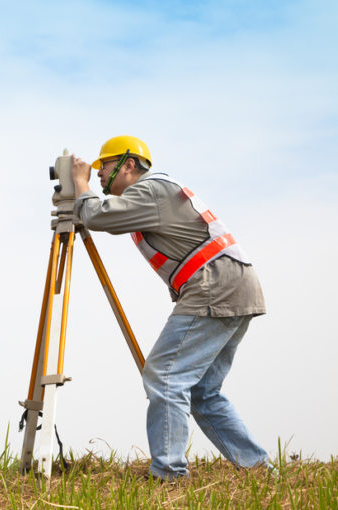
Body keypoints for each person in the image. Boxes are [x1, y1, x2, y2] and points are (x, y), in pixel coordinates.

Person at [69, 135, 270, 480]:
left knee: (165, 376)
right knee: (203, 393)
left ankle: (169, 474)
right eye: (96, 169)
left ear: (128, 165)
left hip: (214, 286)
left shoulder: (148, 189)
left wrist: (78, 184)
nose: (99, 174)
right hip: (233, 285)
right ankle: (258, 469)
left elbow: (97, 216)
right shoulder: (156, 191)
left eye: (104, 166)